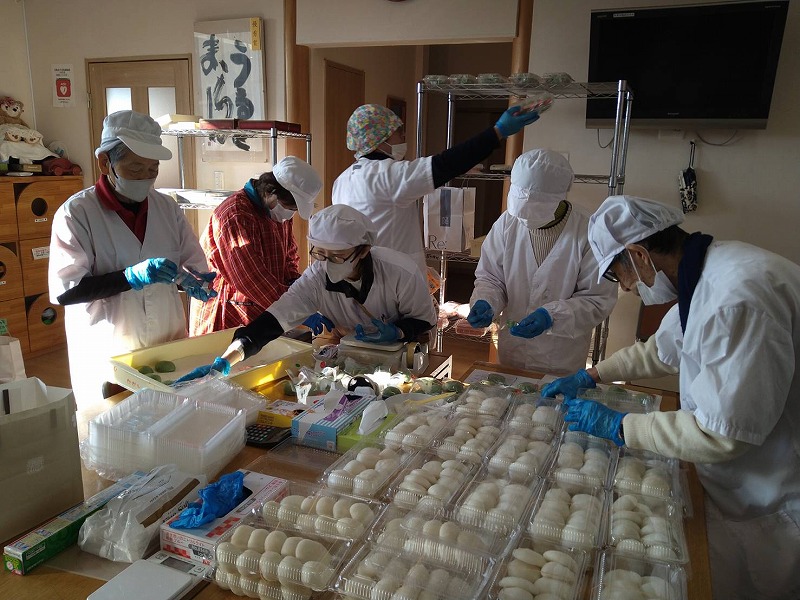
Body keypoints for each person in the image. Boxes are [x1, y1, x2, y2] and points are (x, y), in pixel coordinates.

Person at [542, 195, 800, 600]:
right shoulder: (708, 275)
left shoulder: (737, 299)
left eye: (618, 276)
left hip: (775, 493)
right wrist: (592, 374)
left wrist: (620, 426)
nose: (626, 288)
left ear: (638, 255)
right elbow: (661, 350)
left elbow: (721, 434)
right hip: (738, 482)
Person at [49, 110, 216, 406]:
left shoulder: (167, 209)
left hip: (166, 342)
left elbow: (190, 262)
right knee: (113, 421)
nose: (146, 178)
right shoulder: (77, 214)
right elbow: (68, 291)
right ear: (105, 163)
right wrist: (130, 277)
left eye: (152, 169)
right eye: (136, 168)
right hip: (110, 347)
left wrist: (194, 280)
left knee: (171, 418)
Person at [176, 204, 436, 382]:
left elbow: (424, 319)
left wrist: (397, 332)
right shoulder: (316, 278)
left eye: (338, 256)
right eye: (321, 254)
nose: (328, 264)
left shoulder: (400, 271)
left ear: (364, 250)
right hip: (352, 353)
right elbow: (270, 323)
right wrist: (226, 360)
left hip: (400, 355)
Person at [332, 103, 541, 273]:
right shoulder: (389, 175)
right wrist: (497, 132)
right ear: (379, 139)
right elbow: (446, 163)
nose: (403, 137)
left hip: (363, 272)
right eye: (398, 133)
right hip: (392, 279)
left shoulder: (343, 180)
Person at [466, 149, 617, 374]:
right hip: (512, 351)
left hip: (561, 357)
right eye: (520, 210)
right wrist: (486, 301)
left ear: (559, 199)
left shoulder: (590, 231)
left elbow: (597, 299)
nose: (525, 219)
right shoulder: (507, 223)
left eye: (534, 209)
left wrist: (551, 317)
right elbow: (492, 278)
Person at [189, 156, 323, 336]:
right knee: (230, 352)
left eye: (295, 209)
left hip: (264, 306)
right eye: (290, 207)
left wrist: (295, 284)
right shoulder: (236, 215)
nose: (291, 214)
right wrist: (295, 309)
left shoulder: (277, 211)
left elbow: (289, 255)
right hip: (227, 312)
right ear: (270, 192)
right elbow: (251, 279)